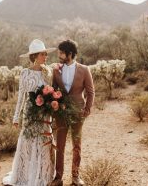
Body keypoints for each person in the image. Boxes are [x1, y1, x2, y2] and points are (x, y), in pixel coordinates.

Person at [2, 39, 56, 186]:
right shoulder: (25, 73)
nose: (46, 57)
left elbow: (51, 93)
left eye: (46, 54)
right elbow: (21, 96)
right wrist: (16, 117)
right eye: (43, 54)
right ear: (35, 56)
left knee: (43, 143)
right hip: (30, 114)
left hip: (44, 114)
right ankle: (27, 176)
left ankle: (43, 176)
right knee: (29, 143)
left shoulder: (48, 72)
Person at [50, 39, 94, 186]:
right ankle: (58, 177)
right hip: (61, 114)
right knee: (60, 146)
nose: (59, 55)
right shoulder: (56, 70)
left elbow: (90, 91)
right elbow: (54, 90)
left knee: (77, 145)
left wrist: (87, 109)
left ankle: (76, 177)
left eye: (61, 53)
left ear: (70, 53)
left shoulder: (84, 69)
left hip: (77, 113)